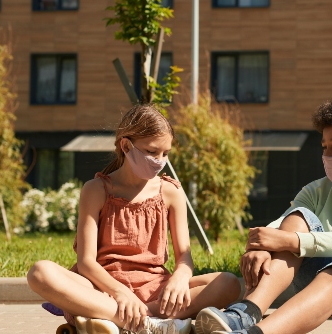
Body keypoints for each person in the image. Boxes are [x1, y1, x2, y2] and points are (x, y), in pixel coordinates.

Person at [195, 96, 332, 334]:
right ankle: (247, 312)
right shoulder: (317, 189)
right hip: (319, 275)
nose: (328, 154)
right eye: (325, 147)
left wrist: (288, 241)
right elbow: (283, 223)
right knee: (300, 215)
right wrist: (261, 246)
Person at [27, 104, 240, 334]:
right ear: (126, 146)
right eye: (151, 152)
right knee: (40, 272)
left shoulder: (172, 192)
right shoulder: (95, 190)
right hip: (102, 289)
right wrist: (121, 293)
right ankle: (149, 322)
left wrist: (179, 278)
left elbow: (184, 257)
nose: (159, 160)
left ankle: (126, 320)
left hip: (155, 289)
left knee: (228, 282)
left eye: (165, 154)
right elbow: (86, 263)